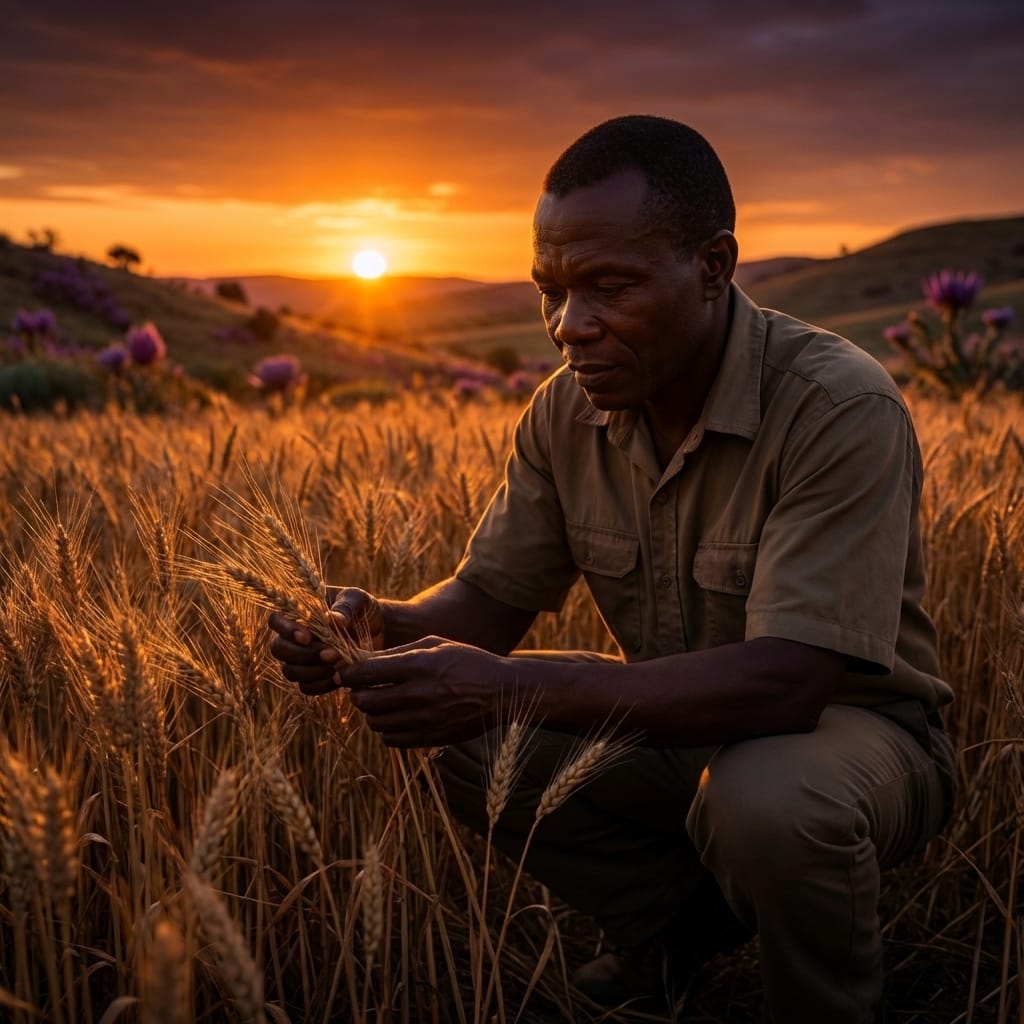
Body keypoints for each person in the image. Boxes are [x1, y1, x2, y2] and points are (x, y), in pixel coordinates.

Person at [268, 115, 956, 1023]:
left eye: (607, 288)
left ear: (713, 267)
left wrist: (505, 686)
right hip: (679, 732)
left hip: (849, 742)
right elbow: (487, 602)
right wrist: (377, 628)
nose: (567, 326)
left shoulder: (837, 405)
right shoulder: (566, 413)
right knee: (477, 746)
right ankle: (677, 931)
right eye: (548, 290)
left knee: (766, 801)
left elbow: (788, 685)